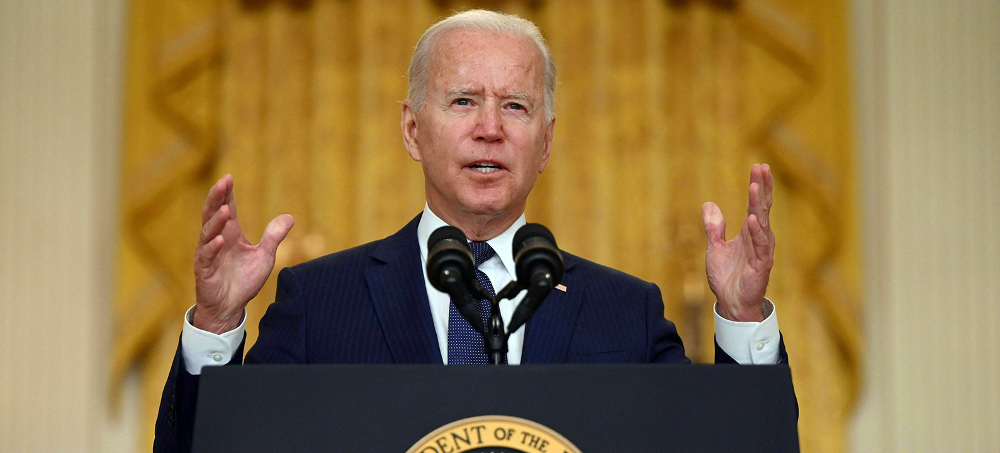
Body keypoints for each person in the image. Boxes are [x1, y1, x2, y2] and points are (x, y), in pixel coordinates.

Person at [154, 9, 784, 452]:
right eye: (462, 101)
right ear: (411, 130)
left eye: (516, 105)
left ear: (546, 142)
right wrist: (214, 326)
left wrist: (742, 315)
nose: (491, 128)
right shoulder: (320, 303)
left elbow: (729, 447)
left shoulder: (625, 311)